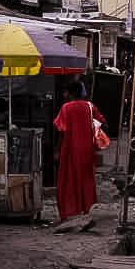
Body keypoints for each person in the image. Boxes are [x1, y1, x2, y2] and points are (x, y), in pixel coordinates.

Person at [53, 81, 103, 221]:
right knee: (86, 180)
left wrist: (57, 150)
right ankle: (85, 210)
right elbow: (102, 122)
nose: (64, 94)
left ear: (69, 93)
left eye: (65, 92)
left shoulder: (66, 108)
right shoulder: (90, 106)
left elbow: (61, 131)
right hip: (87, 150)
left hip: (69, 150)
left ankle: (69, 211)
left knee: (67, 181)